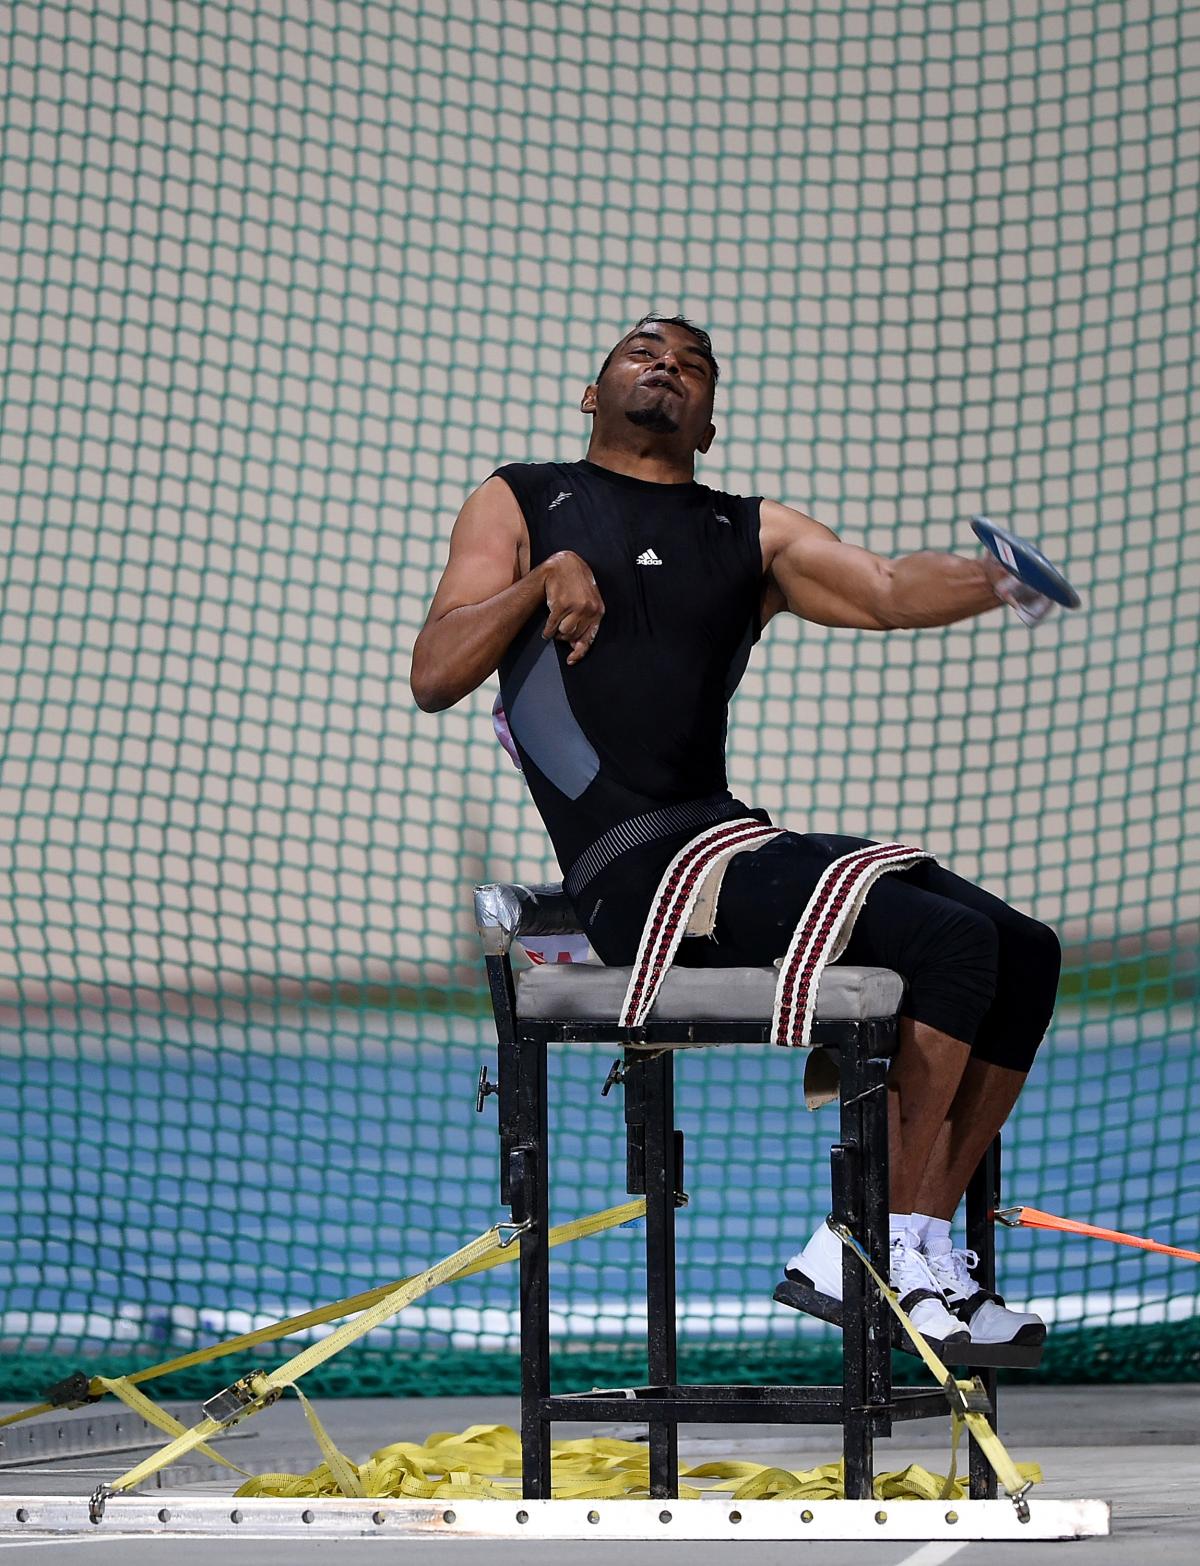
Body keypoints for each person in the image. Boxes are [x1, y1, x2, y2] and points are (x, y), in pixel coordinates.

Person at [410, 314, 1061, 1362]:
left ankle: (916, 1244)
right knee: (948, 945)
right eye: (642, 351)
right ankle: (868, 1247)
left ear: (708, 423)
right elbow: (435, 673)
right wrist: (544, 580)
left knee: (1025, 950)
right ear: (592, 394)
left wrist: (997, 581)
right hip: (640, 874)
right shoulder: (520, 499)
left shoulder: (747, 533)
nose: (667, 363)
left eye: (693, 364)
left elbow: (890, 590)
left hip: (728, 845)